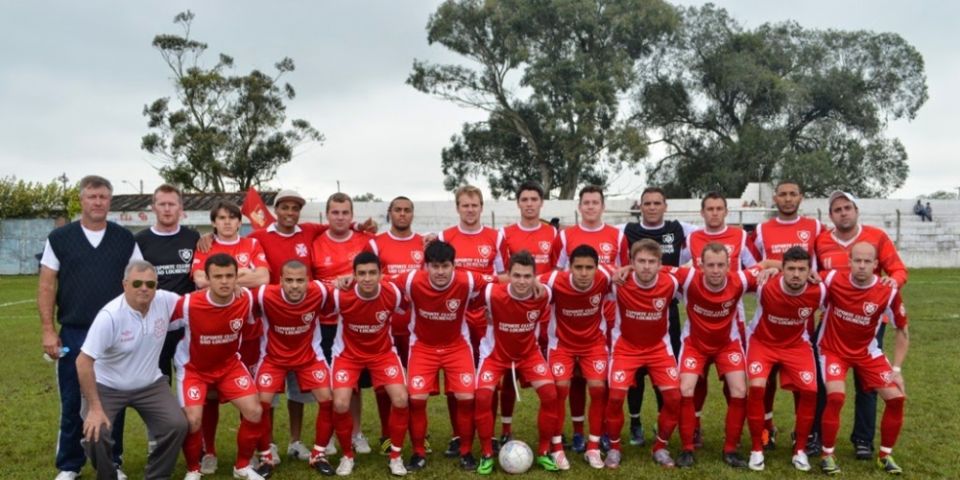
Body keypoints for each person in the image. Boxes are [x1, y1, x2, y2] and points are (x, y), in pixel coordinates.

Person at [39, 175, 143, 480]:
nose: (98, 202)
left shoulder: (125, 239)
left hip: (115, 333)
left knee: (114, 400)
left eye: (103, 197)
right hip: (75, 330)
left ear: (110, 201)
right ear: (82, 200)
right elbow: (46, 285)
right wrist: (48, 330)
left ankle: (112, 462)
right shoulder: (60, 238)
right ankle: (70, 465)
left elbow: (139, 283)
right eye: (92, 196)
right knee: (73, 400)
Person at [811, 191, 908, 458]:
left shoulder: (876, 236)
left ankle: (863, 439)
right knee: (825, 384)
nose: (843, 212)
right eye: (838, 209)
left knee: (867, 384)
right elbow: (813, 274)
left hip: (870, 319)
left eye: (847, 207)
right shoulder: (821, 241)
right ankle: (819, 436)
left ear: (856, 210)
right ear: (831, 216)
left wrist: (892, 284)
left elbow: (898, 270)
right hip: (832, 320)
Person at [77, 260, 188, 480]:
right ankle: (108, 475)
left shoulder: (166, 301)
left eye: (150, 284)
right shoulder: (110, 316)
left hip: (150, 384)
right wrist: (95, 408)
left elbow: (197, 304)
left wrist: (233, 290)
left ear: (157, 286)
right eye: (137, 283)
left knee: (177, 425)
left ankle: (157, 475)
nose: (144, 288)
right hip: (107, 385)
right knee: (95, 432)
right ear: (125, 284)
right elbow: (83, 361)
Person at [388, 241, 490, 472]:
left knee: (466, 398)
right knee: (416, 400)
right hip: (423, 347)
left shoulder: (468, 280)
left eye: (445, 266)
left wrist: (535, 281)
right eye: (435, 266)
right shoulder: (412, 280)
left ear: (454, 266)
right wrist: (347, 280)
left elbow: (500, 282)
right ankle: (418, 453)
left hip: (457, 346)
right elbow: (379, 282)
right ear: (426, 266)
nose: (441, 272)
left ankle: (465, 451)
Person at [670, 243, 773, 469]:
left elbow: (770, 264)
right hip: (694, 344)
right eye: (710, 265)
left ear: (728, 266)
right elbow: (656, 268)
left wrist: (776, 269)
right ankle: (687, 448)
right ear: (701, 265)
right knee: (685, 389)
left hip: (727, 344)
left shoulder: (740, 280)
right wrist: (626, 270)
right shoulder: (688, 277)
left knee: (739, 390)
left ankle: (731, 449)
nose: (716, 270)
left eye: (720, 265)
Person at [190, 201, 269, 473]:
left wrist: (229, 283)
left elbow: (264, 277)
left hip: (248, 332)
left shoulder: (252, 245)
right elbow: (200, 280)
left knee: (248, 393)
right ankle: (209, 451)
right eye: (221, 218)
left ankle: (251, 452)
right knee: (211, 395)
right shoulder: (205, 246)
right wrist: (242, 277)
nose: (226, 222)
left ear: (239, 221)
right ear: (214, 222)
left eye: (232, 218)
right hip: (213, 332)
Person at [174, 253, 267, 480]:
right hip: (193, 369)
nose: (224, 282)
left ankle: (242, 466)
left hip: (229, 366)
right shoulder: (188, 303)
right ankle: (193, 469)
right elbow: (160, 325)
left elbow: (252, 328)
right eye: (218, 277)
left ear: (237, 277)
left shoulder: (244, 297)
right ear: (207, 278)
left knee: (254, 411)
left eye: (229, 276)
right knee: (193, 420)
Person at [551, 185, 627, 453]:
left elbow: (624, 273)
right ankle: (578, 431)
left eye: (596, 202)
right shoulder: (565, 236)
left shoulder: (617, 235)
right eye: (587, 203)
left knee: (599, 379)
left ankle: (603, 430)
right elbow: (558, 272)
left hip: (605, 316)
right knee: (573, 378)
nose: (591, 207)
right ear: (580, 206)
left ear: (603, 206)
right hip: (573, 313)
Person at [475, 251, 566, 474]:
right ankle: (487, 453)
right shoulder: (491, 294)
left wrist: (540, 283)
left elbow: (556, 278)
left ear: (535, 276)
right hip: (495, 355)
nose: (522, 281)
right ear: (509, 275)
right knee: (483, 396)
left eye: (527, 276)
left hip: (528, 355)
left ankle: (544, 451)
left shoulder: (543, 294)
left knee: (550, 395)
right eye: (517, 276)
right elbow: (467, 290)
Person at [747, 180, 822, 450]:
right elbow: (753, 263)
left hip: (801, 317)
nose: (788, 199)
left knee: (803, 380)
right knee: (764, 379)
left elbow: (821, 266)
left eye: (793, 194)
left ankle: (801, 433)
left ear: (801, 197)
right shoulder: (762, 229)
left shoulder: (814, 227)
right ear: (775, 198)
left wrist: (780, 266)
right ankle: (767, 428)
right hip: (769, 311)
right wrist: (768, 267)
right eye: (783, 195)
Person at [619, 187, 695, 446]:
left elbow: (709, 244)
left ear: (665, 205)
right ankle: (636, 422)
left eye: (656, 203)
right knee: (636, 374)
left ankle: (664, 422)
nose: (652, 207)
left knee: (665, 371)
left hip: (666, 310)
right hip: (633, 308)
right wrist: (625, 267)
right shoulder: (626, 231)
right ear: (640, 206)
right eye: (647, 203)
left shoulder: (680, 228)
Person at [325, 252, 409, 476]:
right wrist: (335, 281)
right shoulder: (340, 295)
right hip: (347, 356)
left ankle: (396, 456)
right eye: (361, 273)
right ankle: (347, 456)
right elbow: (314, 292)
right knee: (341, 404)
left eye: (373, 273)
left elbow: (414, 301)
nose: (367, 278)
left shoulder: (392, 293)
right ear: (353, 275)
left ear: (381, 274)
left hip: (383, 354)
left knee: (401, 399)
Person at [437, 185, 504, 457]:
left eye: (474, 205)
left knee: (490, 378)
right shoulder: (446, 237)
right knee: (456, 380)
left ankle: (491, 431)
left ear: (481, 207)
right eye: (465, 205)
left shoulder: (495, 237)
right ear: (457, 207)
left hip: (486, 318)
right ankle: (458, 435)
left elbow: (502, 277)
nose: (470, 210)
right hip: (457, 317)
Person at [744, 247, 824, 472]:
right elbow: (733, 279)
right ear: (782, 268)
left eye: (801, 269)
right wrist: (766, 267)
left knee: (810, 390)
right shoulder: (764, 283)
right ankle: (757, 448)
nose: (796, 274)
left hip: (796, 345)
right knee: (757, 387)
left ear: (810, 270)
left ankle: (800, 450)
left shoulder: (820, 290)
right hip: (762, 343)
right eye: (791, 269)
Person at [252, 261, 336, 476]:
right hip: (273, 358)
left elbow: (340, 297)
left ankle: (318, 454)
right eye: (289, 280)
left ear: (308, 281)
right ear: (280, 281)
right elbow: (239, 301)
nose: (295, 286)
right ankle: (265, 455)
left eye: (300, 280)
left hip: (309, 357)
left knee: (328, 399)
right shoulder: (263, 294)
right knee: (260, 404)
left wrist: (346, 281)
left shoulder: (321, 291)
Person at [604, 239, 682, 469]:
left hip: (659, 348)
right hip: (626, 347)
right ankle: (615, 448)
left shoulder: (671, 282)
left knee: (674, 399)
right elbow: (597, 265)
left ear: (660, 264)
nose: (646, 266)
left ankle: (660, 447)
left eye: (651, 262)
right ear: (631, 262)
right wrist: (621, 270)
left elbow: (696, 272)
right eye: (641, 261)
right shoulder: (620, 280)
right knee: (616, 397)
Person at [134, 184, 200, 453]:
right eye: (162, 204)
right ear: (153, 207)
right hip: (155, 324)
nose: (167, 209)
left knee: (192, 380)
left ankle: (198, 441)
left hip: (187, 324)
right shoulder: (140, 241)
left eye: (172, 204)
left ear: (181, 209)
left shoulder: (194, 237)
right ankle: (157, 440)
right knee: (157, 382)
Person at [311, 192, 378, 455]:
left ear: (352, 216)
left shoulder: (365, 241)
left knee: (355, 386)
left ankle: (356, 433)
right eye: (335, 212)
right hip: (325, 323)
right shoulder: (316, 243)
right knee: (328, 386)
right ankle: (327, 437)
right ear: (327, 215)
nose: (340, 217)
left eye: (345, 213)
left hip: (355, 323)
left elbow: (377, 272)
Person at [497, 181, 557, 445]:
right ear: (518, 203)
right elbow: (500, 274)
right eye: (525, 199)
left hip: (546, 314)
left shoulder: (553, 234)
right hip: (515, 314)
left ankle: (554, 430)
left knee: (552, 376)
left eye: (534, 199)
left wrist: (539, 286)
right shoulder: (505, 234)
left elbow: (558, 271)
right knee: (509, 371)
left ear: (541, 202)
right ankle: (506, 428)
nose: (530, 203)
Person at [541, 245, 612, 469]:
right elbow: (525, 283)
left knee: (598, 388)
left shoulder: (606, 278)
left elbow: (625, 271)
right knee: (559, 390)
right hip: (562, 344)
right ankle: (557, 447)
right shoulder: (554, 279)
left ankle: (593, 447)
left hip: (594, 344)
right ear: (569, 268)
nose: (583, 273)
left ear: (596, 268)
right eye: (578, 267)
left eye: (589, 268)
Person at [366, 196, 424, 455]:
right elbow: (373, 278)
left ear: (413, 214)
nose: (402, 214)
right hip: (386, 325)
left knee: (416, 384)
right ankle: (386, 434)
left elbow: (426, 278)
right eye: (397, 210)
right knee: (384, 384)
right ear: (389, 213)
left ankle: (420, 433)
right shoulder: (376, 243)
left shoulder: (423, 243)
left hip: (417, 326)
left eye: (407, 210)